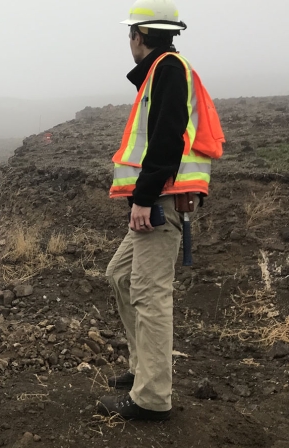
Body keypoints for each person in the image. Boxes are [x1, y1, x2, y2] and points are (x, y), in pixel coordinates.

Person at [99, 0, 225, 420]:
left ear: (140, 37)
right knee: (119, 275)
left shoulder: (168, 70)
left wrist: (144, 198)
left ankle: (151, 398)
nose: (129, 42)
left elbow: (167, 140)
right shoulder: (161, 72)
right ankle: (141, 370)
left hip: (163, 201)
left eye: (130, 35)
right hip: (162, 198)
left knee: (151, 295)